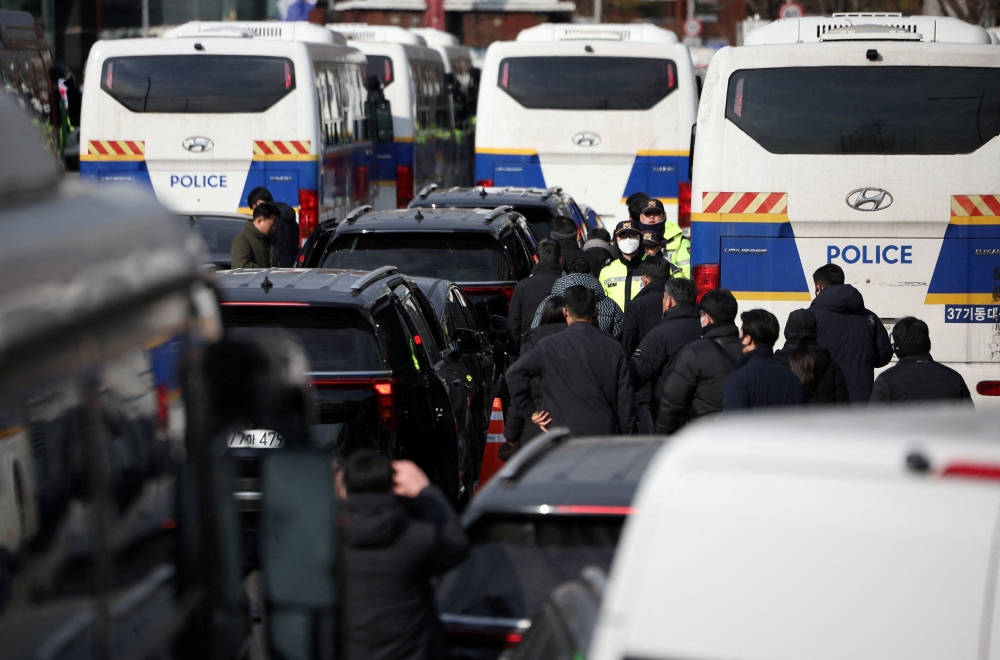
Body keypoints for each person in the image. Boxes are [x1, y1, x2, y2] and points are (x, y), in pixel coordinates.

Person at [342, 451, 469, 660]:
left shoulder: (326, 544)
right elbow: (457, 544)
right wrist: (424, 490)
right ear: (394, 486)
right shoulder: (415, 538)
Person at [507, 286, 637, 437]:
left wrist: (530, 411)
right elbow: (625, 401)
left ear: (565, 312)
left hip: (560, 433)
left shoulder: (549, 345)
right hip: (601, 434)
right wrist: (627, 438)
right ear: (595, 312)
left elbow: (514, 373)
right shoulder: (613, 348)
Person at [655, 289, 742, 434]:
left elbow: (672, 404)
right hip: (743, 437)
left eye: (701, 314)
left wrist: (661, 439)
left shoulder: (695, 352)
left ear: (707, 318)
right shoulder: (749, 350)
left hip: (705, 436)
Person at [810, 264, 892, 404]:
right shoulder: (870, 318)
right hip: (861, 400)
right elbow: (883, 355)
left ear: (818, 288)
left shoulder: (811, 316)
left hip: (825, 401)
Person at [629, 277, 702, 424]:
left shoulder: (660, 334)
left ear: (669, 301)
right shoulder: (705, 329)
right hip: (701, 412)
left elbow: (636, 372)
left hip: (669, 411)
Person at [503, 296, 568, 456]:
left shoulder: (532, 344)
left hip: (537, 421)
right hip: (572, 422)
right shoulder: (576, 342)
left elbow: (519, 391)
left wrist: (511, 433)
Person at [871, 317, 973, 405]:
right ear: (927, 343)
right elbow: (970, 421)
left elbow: (874, 422)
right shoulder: (953, 377)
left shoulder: (887, 380)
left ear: (897, 348)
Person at [723, 309, 805, 410]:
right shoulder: (793, 380)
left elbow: (733, 422)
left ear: (748, 339)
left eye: (740, 334)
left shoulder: (738, 380)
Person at [530, 257, 624, 337]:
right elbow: (619, 336)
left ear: (564, 275)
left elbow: (535, 332)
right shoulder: (610, 304)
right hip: (599, 353)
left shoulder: (550, 302)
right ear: (590, 274)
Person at [773, 308, 850, 405]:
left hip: (786, 420)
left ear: (787, 330)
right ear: (815, 330)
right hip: (824, 419)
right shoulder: (831, 364)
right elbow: (843, 406)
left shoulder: (775, 364)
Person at [507, 238, 562, 351]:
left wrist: (522, 346)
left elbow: (513, 324)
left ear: (536, 259)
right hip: (560, 348)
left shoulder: (523, 286)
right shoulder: (566, 284)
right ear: (560, 260)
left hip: (530, 347)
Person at [620, 256, 674, 355]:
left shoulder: (635, 305)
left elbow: (627, 343)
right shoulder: (681, 301)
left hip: (642, 362)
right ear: (670, 278)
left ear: (644, 279)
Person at [637, 197, 691, 279]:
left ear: (664, 216)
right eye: (648, 214)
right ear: (641, 217)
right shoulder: (633, 239)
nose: (652, 217)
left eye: (656, 213)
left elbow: (687, 275)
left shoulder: (680, 241)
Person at [247, 186, 300, 268]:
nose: (256, 214)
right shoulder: (290, 219)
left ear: (260, 203)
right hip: (291, 267)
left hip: (277, 270)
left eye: (255, 209)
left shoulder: (272, 222)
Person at [599, 220, 646, 312]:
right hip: (616, 324)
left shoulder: (651, 265)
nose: (628, 240)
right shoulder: (607, 270)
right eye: (623, 237)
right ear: (616, 239)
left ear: (639, 238)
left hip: (644, 322)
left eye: (632, 236)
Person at [231, 202, 278, 268]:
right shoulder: (242, 240)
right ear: (260, 221)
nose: (274, 228)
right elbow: (241, 266)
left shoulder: (271, 240)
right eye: (272, 224)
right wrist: (266, 273)